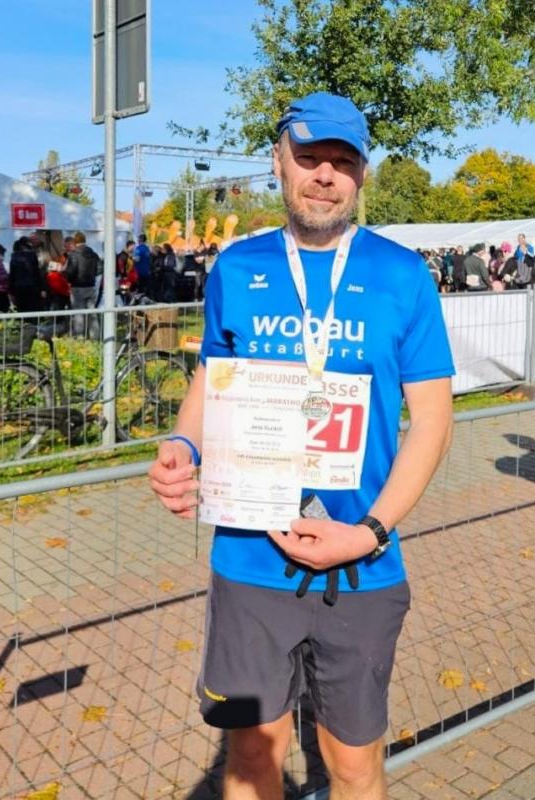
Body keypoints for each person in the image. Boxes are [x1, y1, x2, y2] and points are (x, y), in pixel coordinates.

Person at [148, 91, 454, 800]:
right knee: (253, 759)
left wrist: (369, 532)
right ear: (278, 162)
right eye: (309, 156)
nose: (324, 174)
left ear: (361, 174)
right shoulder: (236, 267)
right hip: (250, 558)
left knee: (353, 765)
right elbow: (211, 380)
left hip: (362, 565)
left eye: (342, 161)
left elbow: (434, 421)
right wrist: (182, 444)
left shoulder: (402, 274)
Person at [64, 231, 100, 338]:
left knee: (78, 313)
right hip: (91, 286)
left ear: (75, 241)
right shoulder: (93, 253)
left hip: (77, 287)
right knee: (92, 313)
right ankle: (95, 336)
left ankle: (80, 337)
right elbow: (100, 268)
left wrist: (67, 277)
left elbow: (70, 271)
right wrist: (92, 275)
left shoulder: (74, 254)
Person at [9, 236, 45, 312]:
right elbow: (36, 273)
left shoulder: (14, 256)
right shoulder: (32, 255)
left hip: (18, 287)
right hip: (32, 287)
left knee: (21, 310)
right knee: (32, 309)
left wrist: (11, 291)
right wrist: (42, 288)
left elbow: (12, 275)